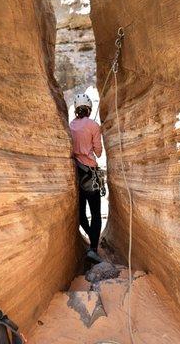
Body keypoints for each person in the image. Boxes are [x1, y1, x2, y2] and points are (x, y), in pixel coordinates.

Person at [70, 93, 103, 262]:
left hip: (76, 173)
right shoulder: (93, 125)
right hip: (91, 174)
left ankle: (91, 238)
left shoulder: (70, 126)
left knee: (81, 213)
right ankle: (94, 247)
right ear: (89, 109)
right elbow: (98, 152)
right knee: (96, 213)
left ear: (76, 109)